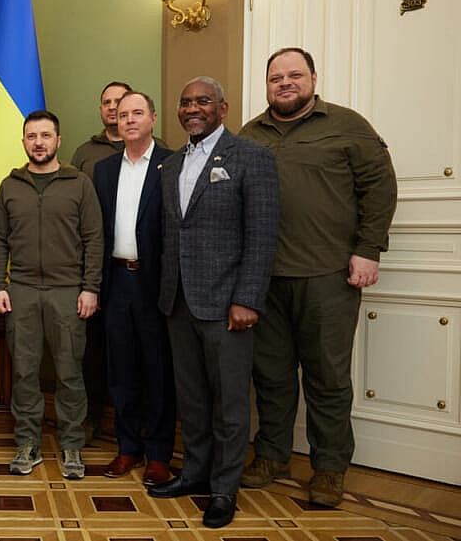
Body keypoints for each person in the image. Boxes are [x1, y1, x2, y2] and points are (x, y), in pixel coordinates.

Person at [238, 48, 397, 507]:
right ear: (267, 84)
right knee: (270, 376)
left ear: (312, 78)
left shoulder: (348, 125)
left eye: (294, 75)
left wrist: (368, 251)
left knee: (328, 378)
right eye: (276, 77)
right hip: (265, 279)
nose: (285, 83)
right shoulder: (251, 135)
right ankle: (272, 455)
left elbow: (380, 188)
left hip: (328, 275)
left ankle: (329, 468)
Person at [149, 77, 278, 529]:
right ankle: (194, 473)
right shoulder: (171, 164)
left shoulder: (252, 158)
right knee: (193, 398)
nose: (192, 109)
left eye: (202, 101)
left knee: (229, 402)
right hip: (178, 300)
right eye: (185, 103)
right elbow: (172, 233)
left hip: (227, 304)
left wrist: (247, 299)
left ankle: (224, 488)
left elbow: (261, 235)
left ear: (223, 108)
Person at [0, 110, 104, 481]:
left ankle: (72, 444)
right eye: (31, 136)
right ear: (24, 141)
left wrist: (90, 288)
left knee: (70, 373)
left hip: (67, 292)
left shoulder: (79, 183)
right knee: (24, 373)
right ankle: (28, 443)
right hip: (20, 291)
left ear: (58, 140)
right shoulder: (10, 185)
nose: (38, 142)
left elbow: (93, 239)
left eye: (45, 135)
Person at [92, 91, 176, 486]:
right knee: (121, 371)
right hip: (116, 282)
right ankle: (128, 448)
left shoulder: (173, 164)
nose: (128, 119)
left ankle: (159, 454)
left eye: (137, 113)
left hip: (156, 282)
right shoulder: (105, 169)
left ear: (153, 119)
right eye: (122, 114)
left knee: (158, 371)